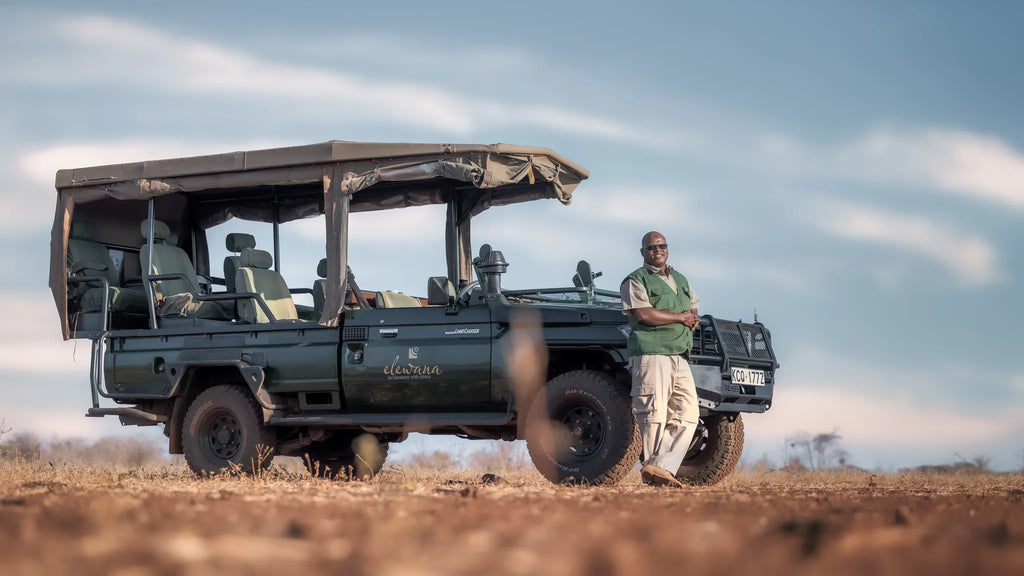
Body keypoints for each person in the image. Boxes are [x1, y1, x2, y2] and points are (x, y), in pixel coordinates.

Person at [620, 231, 701, 488]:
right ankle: (656, 479)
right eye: (652, 247)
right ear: (643, 252)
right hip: (651, 353)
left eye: (661, 246)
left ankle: (659, 467)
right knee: (653, 413)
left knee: (689, 413)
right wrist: (681, 318)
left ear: (667, 249)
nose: (657, 250)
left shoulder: (681, 279)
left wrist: (693, 318)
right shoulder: (635, 280)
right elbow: (644, 314)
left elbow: (693, 308)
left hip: (679, 354)